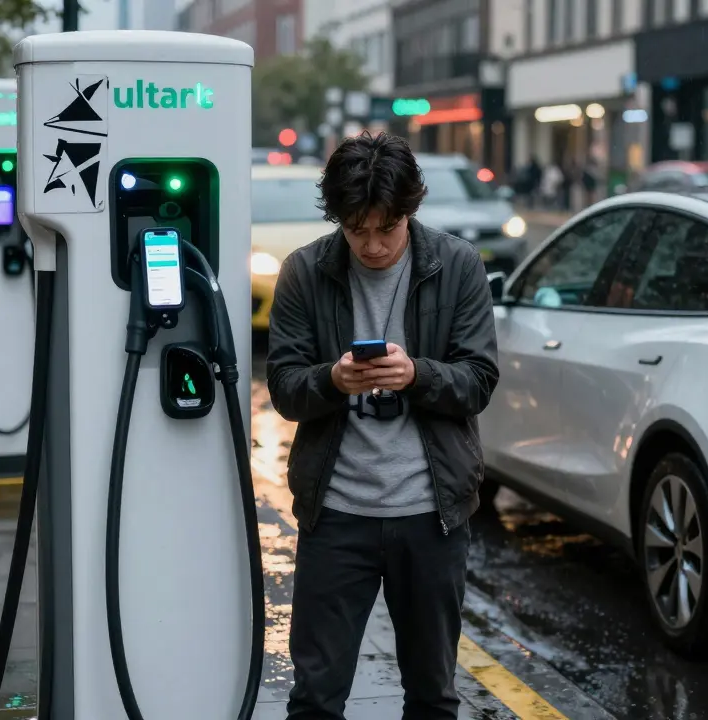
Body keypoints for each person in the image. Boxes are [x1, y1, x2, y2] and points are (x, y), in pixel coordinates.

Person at [266, 131, 499, 720]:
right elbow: (286, 389)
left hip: (432, 514)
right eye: (356, 231)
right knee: (316, 698)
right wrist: (332, 381)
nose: (371, 245)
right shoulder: (304, 271)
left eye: (385, 229)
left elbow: (479, 380)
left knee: (432, 696)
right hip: (337, 513)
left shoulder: (458, 265)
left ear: (410, 211)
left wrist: (416, 374)